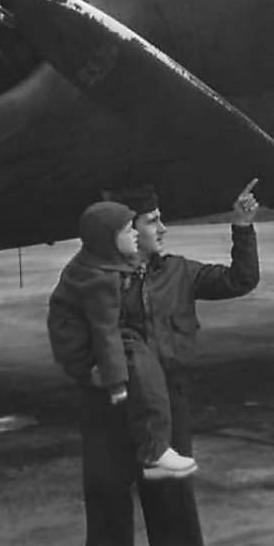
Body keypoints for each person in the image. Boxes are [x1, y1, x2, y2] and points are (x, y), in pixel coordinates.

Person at [60, 179, 261, 546]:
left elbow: (240, 279)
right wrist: (84, 371)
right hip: (107, 415)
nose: (163, 228)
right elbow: (65, 329)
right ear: (127, 229)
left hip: (167, 413)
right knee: (109, 529)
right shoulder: (91, 275)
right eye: (153, 222)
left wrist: (242, 228)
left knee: (176, 527)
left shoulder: (180, 273)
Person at [48, 201, 198, 481]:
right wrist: (115, 381)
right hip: (87, 354)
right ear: (109, 240)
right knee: (143, 369)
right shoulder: (100, 280)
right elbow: (105, 331)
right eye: (128, 230)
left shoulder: (95, 264)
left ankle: (155, 452)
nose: (135, 236)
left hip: (83, 349)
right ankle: (155, 451)